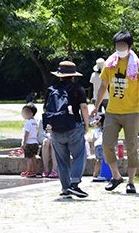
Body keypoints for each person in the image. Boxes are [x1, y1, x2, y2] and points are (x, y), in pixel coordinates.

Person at [93, 30, 138, 193]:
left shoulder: (136, 65)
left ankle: (131, 182)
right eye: (117, 45)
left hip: (132, 111)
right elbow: (103, 87)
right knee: (106, 144)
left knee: (131, 147)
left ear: (130, 46)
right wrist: (96, 106)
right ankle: (116, 176)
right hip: (112, 111)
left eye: (123, 45)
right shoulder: (110, 63)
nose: (120, 48)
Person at [43, 61, 90, 199]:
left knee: (62, 161)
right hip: (74, 127)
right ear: (73, 76)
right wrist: (86, 125)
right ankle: (74, 184)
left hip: (56, 129)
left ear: (59, 75)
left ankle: (65, 188)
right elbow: (84, 107)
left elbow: (45, 109)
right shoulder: (78, 88)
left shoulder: (51, 89)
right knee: (79, 156)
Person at [19, 104, 42, 178]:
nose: (23, 114)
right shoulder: (35, 122)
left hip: (29, 143)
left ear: (31, 113)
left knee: (28, 158)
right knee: (33, 157)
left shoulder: (28, 123)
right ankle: (33, 171)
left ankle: (29, 171)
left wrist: (23, 143)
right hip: (35, 142)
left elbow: (26, 134)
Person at [89, 112, 106, 182]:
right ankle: (99, 173)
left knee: (98, 160)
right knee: (103, 160)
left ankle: (95, 173)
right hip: (104, 145)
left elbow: (94, 138)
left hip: (98, 145)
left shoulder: (97, 130)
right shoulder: (106, 129)